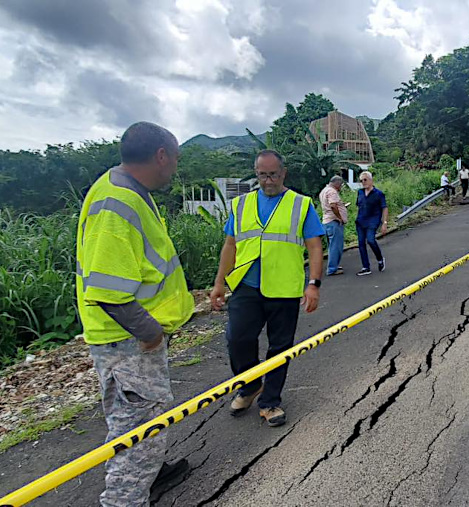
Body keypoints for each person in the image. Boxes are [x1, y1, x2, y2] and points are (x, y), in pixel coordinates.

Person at [76, 121, 194, 507]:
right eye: (174, 159)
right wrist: (151, 334)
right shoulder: (118, 203)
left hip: (131, 338)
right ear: (161, 156)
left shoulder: (129, 190)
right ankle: (126, 498)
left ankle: (152, 473)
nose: (175, 168)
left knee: (140, 420)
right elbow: (109, 291)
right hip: (127, 342)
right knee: (138, 428)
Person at [209, 150, 324, 426]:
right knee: (237, 338)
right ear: (256, 173)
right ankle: (250, 385)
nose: (268, 180)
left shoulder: (300, 204)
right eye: (262, 174)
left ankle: (270, 401)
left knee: (280, 348)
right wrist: (218, 284)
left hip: (284, 287)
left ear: (283, 173)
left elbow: (314, 246)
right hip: (246, 285)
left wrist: (314, 284)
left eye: (273, 174)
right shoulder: (241, 204)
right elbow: (230, 245)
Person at [355, 171, 388, 276]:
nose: (363, 182)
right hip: (361, 221)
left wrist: (384, 222)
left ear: (371, 180)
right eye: (361, 181)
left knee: (370, 240)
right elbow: (359, 205)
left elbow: (384, 208)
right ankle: (366, 267)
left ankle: (379, 258)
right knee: (361, 243)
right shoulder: (360, 192)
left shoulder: (379, 194)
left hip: (373, 221)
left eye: (365, 180)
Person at [319, 175, 348, 276]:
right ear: (338, 184)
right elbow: (333, 206)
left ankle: (333, 265)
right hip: (333, 222)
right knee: (336, 246)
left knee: (331, 246)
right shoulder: (332, 191)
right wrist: (339, 217)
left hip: (326, 221)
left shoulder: (324, 190)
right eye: (341, 185)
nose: (341, 188)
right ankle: (332, 269)